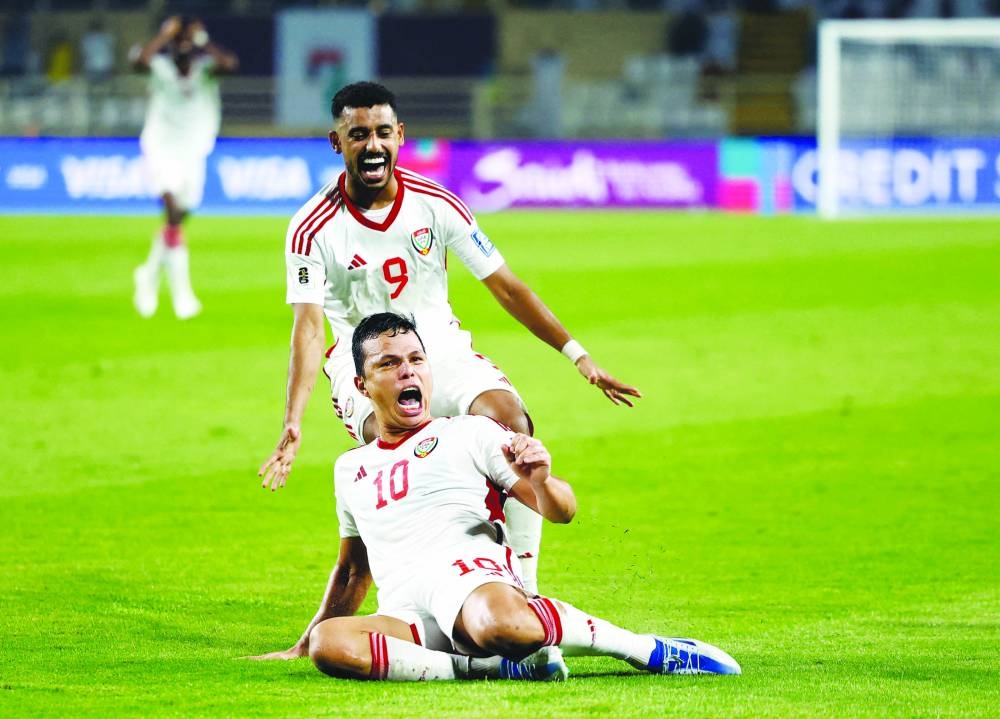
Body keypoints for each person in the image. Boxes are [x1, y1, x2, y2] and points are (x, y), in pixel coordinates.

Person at [258, 81, 641, 594]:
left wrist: (579, 356)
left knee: (509, 422)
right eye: (358, 135)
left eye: (382, 133)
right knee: (396, 452)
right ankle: (427, 591)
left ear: (400, 136)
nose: (372, 145)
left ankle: (524, 590)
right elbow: (307, 329)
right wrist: (293, 421)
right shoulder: (311, 228)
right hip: (365, 367)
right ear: (337, 142)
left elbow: (506, 287)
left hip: (438, 349)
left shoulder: (436, 203)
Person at [251, 313, 741, 681]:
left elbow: (563, 511)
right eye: (390, 364)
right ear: (362, 384)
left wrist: (543, 479)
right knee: (331, 644)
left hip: (470, 584)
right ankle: (486, 670)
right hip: (408, 614)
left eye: (416, 360)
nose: (408, 373)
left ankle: (647, 649)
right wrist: (306, 639)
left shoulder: (472, 432)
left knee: (503, 626)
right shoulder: (350, 469)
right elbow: (355, 569)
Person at [130, 15, 238, 320]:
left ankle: (149, 273)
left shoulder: (205, 72)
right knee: (173, 212)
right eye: (178, 50)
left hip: (193, 150)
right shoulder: (160, 69)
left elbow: (230, 65)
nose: (183, 56)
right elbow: (139, 62)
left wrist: (203, 41)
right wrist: (165, 36)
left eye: (188, 50)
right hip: (161, 147)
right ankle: (182, 293)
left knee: (179, 215)